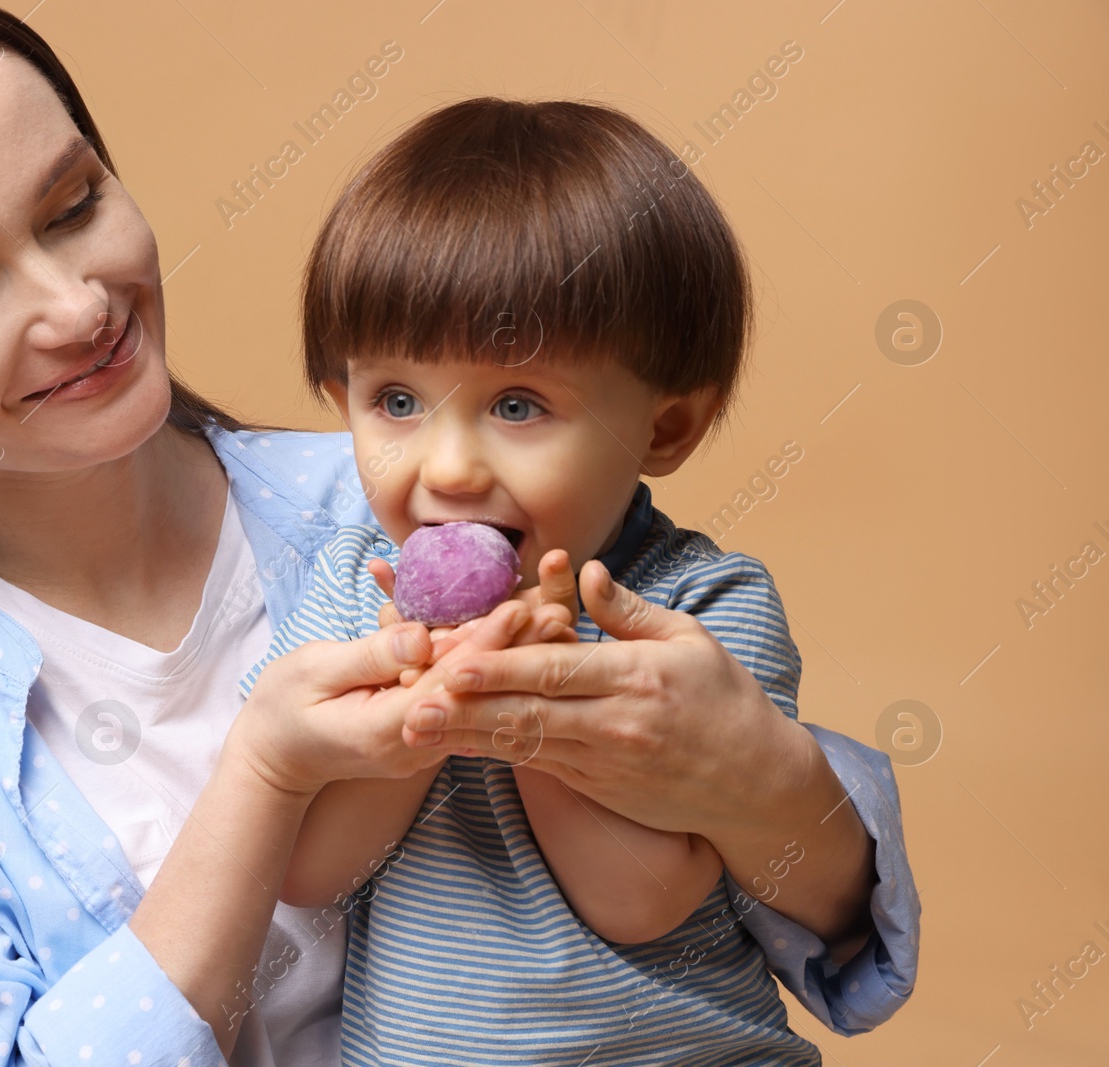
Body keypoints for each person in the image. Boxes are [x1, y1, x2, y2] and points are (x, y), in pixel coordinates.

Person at [0, 3, 916, 1065]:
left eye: (71, 206)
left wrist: (775, 788)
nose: (78, 302)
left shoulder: (417, 496)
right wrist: (262, 775)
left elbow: (810, 924)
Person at [241, 97, 919, 1065]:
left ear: (664, 426)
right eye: (395, 399)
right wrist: (424, 700)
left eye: (517, 404)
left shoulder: (697, 610)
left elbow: (642, 897)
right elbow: (310, 865)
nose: (446, 468)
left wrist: (533, 699)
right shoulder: (356, 591)